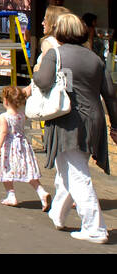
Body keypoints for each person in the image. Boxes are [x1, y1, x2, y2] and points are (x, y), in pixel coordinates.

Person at [36, 13, 117, 242]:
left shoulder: (55, 54)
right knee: (68, 168)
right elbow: (110, 96)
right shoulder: (96, 59)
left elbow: (42, 82)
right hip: (94, 119)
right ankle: (58, 215)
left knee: (77, 174)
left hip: (69, 120)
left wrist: (38, 71)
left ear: (60, 32)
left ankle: (95, 227)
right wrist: (116, 126)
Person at [0, 84, 50, 210]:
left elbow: (3, 132)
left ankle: (11, 195)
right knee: (28, 170)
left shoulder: (4, 117)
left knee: (6, 169)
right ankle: (41, 192)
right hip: (22, 145)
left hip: (9, 146)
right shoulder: (22, 115)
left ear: (6, 101)